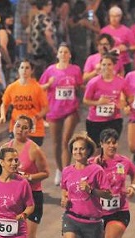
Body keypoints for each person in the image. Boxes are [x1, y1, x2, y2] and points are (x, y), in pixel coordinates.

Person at [2, 116, 49, 238]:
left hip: (33, 196)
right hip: (14, 198)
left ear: (30, 131)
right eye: (17, 125)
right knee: (14, 236)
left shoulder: (34, 149)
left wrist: (29, 178)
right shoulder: (6, 148)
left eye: (24, 127)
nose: (20, 130)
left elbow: (45, 173)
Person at [91, 128, 135, 238]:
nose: (112, 145)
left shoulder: (123, 162)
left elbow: (134, 172)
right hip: (98, 213)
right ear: (101, 144)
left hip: (120, 210)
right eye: (108, 142)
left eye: (114, 142)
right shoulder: (93, 163)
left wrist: (132, 186)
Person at [39, 43, 83, 185]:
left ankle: (66, 173)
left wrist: (79, 87)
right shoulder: (50, 70)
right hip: (54, 109)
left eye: (66, 52)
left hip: (71, 109)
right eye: (61, 52)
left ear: (70, 55)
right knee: (56, 143)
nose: (63, 54)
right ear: (57, 55)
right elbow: (39, 88)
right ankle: (59, 169)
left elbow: (80, 87)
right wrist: (48, 84)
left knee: (66, 140)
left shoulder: (75, 70)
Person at [83, 52, 131, 147]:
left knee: (109, 147)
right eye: (104, 64)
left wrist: (125, 105)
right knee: (96, 149)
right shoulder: (93, 82)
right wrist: (98, 102)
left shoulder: (121, 82)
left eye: (109, 64)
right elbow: (85, 100)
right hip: (95, 120)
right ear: (100, 65)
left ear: (114, 66)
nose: (106, 67)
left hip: (114, 120)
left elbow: (130, 97)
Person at [0, 60, 49, 146]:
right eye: (22, 67)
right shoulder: (12, 87)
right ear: (18, 70)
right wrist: (2, 116)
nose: (24, 70)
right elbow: (4, 104)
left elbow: (46, 108)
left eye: (27, 68)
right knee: (16, 155)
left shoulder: (37, 88)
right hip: (16, 127)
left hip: (34, 130)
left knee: (31, 156)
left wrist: (36, 117)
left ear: (31, 71)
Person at [100, 5, 135, 73]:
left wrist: (126, 48)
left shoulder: (127, 31)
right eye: (112, 16)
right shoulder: (103, 31)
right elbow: (99, 47)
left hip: (124, 62)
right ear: (109, 17)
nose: (114, 18)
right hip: (108, 62)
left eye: (116, 16)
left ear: (120, 17)